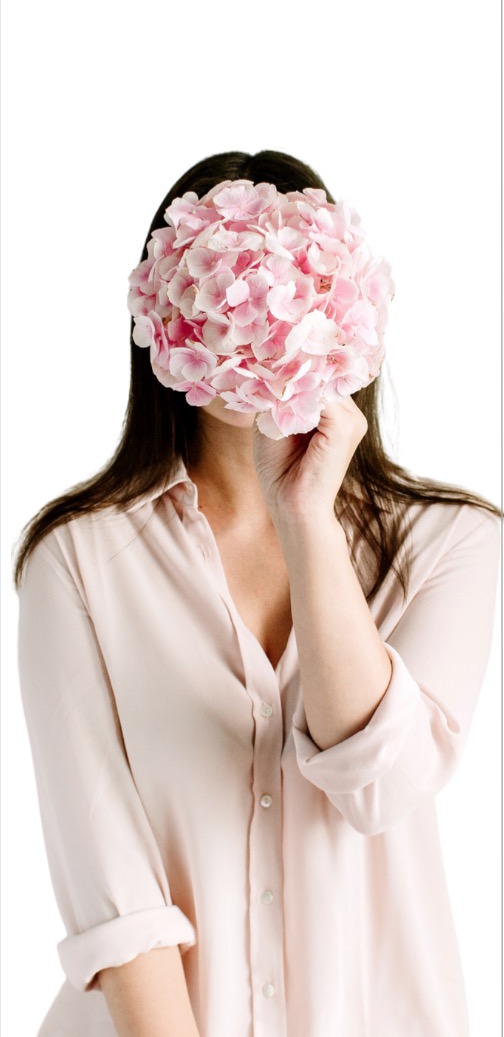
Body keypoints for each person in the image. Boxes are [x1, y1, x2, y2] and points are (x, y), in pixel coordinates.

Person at [15, 149, 501, 1037]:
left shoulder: (452, 543)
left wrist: (306, 516)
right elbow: (116, 896)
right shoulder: (77, 560)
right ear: (162, 318)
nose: (256, 328)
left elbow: (381, 786)